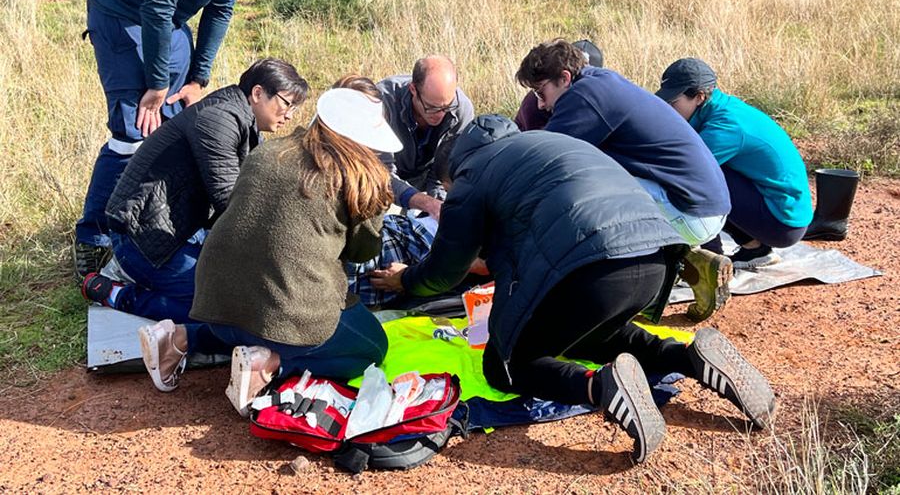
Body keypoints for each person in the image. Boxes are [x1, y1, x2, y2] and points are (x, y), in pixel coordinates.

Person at [371, 116, 775, 464]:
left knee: (507, 365)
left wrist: (404, 279)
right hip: (656, 258)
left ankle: (601, 386)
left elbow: (444, 271)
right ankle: (688, 357)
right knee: (597, 333)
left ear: (455, 168)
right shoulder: (552, 145)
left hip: (590, 264)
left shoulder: (471, 176)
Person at [74, 0, 302, 278]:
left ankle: (161, 224)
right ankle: (94, 239)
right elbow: (155, 7)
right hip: (121, 9)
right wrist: (156, 85)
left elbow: (221, 6)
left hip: (167, 17)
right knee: (132, 128)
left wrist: (198, 77)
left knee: (178, 118)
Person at [137, 85, 401, 417]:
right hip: (283, 312)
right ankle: (269, 365)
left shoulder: (270, 150)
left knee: (253, 311)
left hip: (213, 302)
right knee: (371, 347)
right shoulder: (360, 179)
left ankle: (177, 338)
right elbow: (364, 252)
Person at [516, 39, 733, 323]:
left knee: (582, 198)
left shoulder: (583, 98)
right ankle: (690, 263)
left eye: (541, 91)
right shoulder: (599, 81)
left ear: (565, 78)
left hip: (692, 213)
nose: (541, 104)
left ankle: (631, 296)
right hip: (705, 206)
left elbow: (544, 163)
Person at [80, 58, 308, 322]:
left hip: (179, 230)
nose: (290, 115)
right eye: (287, 104)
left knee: (246, 290)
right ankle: (116, 292)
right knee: (214, 309)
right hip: (143, 238)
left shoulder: (243, 121)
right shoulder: (219, 120)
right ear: (257, 93)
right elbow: (231, 201)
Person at [657, 58, 813, 268]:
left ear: (700, 96)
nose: (667, 108)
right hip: (781, 208)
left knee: (695, 179)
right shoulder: (715, 110)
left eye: (673, 102)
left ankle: (709, 261)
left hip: (783, 222)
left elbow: (681, 170)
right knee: (706, 171)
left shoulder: (726, 126)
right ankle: (754, 249)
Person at [377, 56, 475, 220]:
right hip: (385, 177)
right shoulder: (382, 104)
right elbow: (379, 175)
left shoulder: (461, 109)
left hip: (424, 177)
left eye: (447, 106)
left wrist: (437, 201)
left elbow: (445, 167)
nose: (441, 114)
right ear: (413, 90)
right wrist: (426, 203)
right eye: (432, 108)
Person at [514, 39, 604, 131]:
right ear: (564, 79)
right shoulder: (534, 108)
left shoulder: (596, 102)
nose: (540, 105)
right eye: (539, 93)